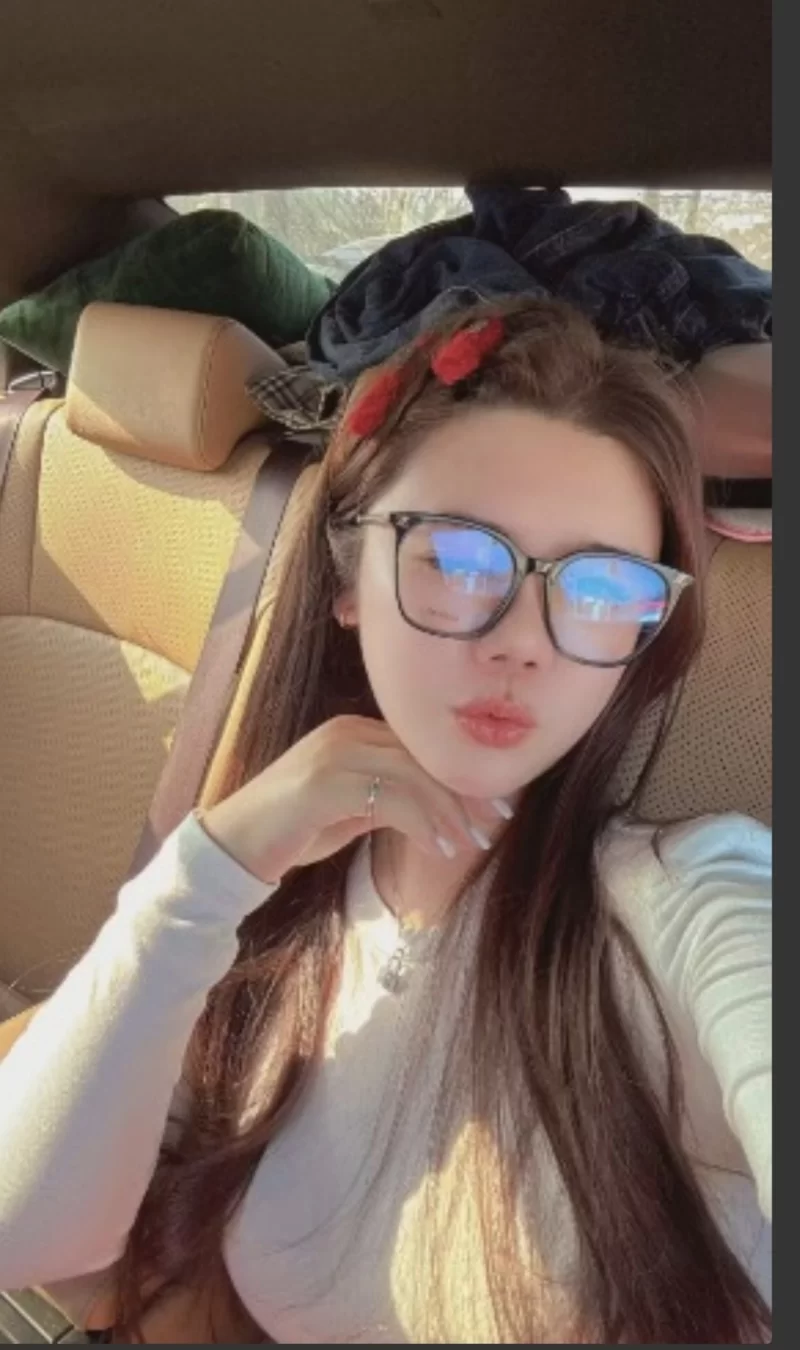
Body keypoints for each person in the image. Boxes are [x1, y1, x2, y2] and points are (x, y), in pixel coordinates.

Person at [0, 298, 771, 1344]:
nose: (522, 641)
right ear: (348, 579)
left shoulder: (687, 902)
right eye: (456, 562)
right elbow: (25, 1237)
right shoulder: (262, 910)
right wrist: (210, 867)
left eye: (601, 588)